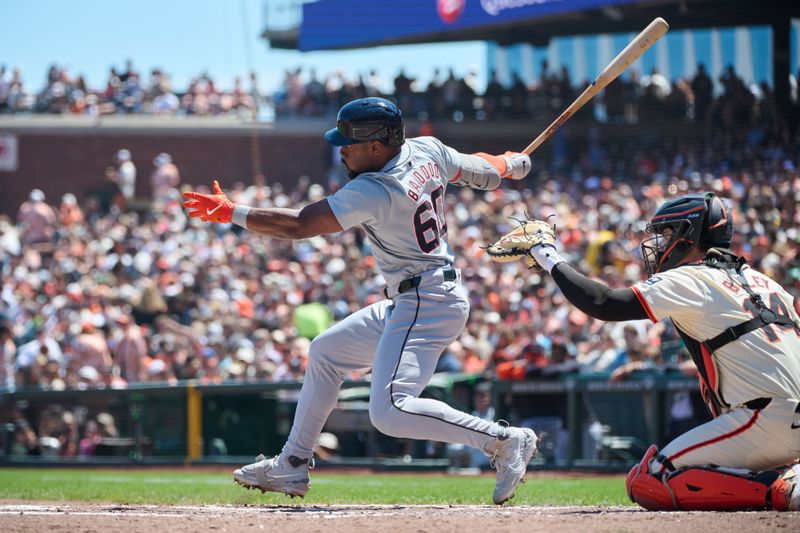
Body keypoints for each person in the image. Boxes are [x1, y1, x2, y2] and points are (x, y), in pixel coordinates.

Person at [183, 96, 537, 504]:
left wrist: (233, 212)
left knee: (389, 410)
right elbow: (482, 171)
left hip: (426, 299)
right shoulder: (428, 148)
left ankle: (503, 441)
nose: (341, 149)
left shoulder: (376, 189)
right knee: (326, 351)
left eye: (349, 142)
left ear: (376, 145)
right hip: (419, 295)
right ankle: (292, 464)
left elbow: (300, 224)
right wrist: (511, 164)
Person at [523, 191, 800, 511]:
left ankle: (779, 489)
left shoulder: (693, 277)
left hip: (764, 417)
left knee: (651, 478)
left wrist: (547, 255)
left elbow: (603, 303)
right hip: (785, 418)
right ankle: (789, 474)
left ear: (689, 234)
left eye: (667, 232)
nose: (660, 243)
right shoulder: (766, 282)